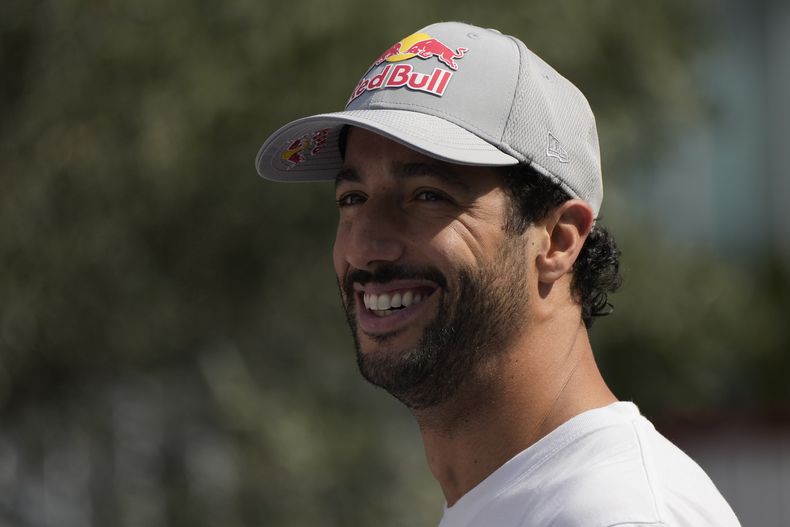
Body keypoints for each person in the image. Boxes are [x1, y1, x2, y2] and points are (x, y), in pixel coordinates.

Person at [255, 21, 740, 527]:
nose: (363, 246)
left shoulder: (619, 514)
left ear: (558, 239)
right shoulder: (510, 499)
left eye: (427, 196)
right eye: (352, 199)